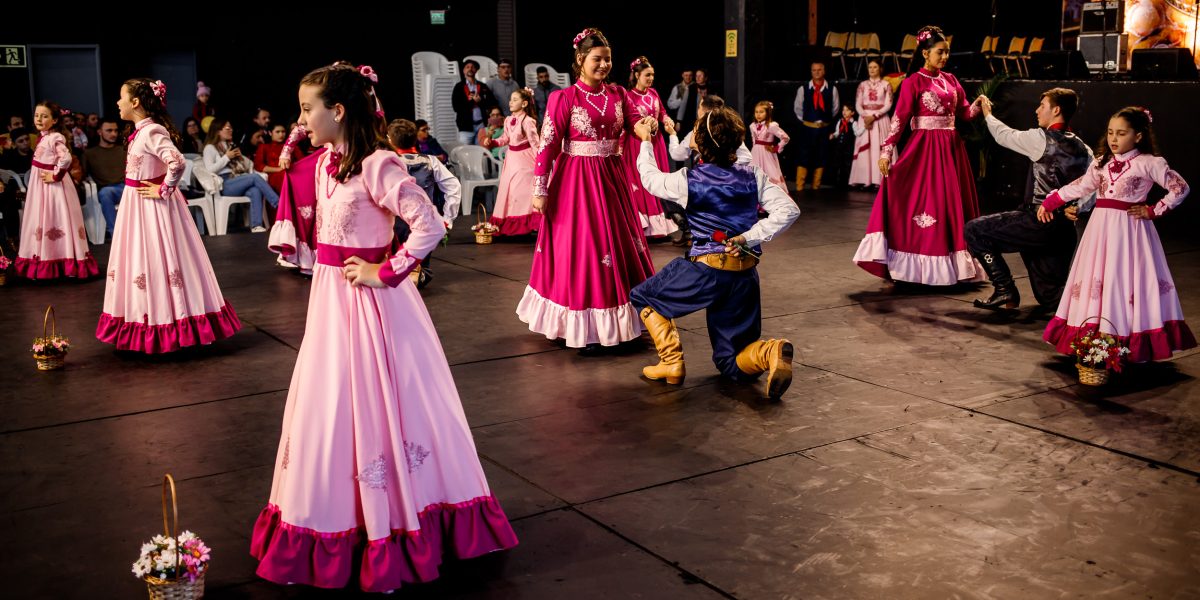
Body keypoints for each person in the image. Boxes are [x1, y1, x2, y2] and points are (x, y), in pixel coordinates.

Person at [250, 63, 517, 594]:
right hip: (330, 303)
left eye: (308, 109)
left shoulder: (378, 164)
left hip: (370, 308)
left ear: (339, 110)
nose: (300, 120)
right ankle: (334, 517)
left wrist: (385, 270)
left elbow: (430, 223)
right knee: (329, 407)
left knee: (382, 404)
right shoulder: (326, 163)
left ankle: (394, 520)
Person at [630, 108, 800, 398]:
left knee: (644, 296)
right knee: (730, 362)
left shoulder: (689, 179)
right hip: (744, 275)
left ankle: (671, 363)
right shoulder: (752, 175)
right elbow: (789, 210)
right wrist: (748, 236)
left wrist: (645, 141)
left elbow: (649, 179)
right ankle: (769, 352)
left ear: (703, 141)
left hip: (706, 271)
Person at [517, 27, 656, 353]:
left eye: (608, 59)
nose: (604, 64)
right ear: (580, 60)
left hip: (612, 180)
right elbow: (548, 146)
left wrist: (644, 126)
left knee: (616, 246)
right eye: (597, 59)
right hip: (576, 184)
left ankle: (620, 321)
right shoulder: (563, 98)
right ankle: (581, 324)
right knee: (584, 249)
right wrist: (540, 189)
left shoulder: (619, 94)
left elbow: (634, 123)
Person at [1040, 106, 1194, 362]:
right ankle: (1095, 335)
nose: (1113, 138)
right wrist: (1053, 200)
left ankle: (1125, 339)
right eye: (1111, 132)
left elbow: (1180, 188)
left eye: (1121, 133)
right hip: (1099, 231)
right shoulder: (1102, 162)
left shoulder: (1149, 163)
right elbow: (1082, 185)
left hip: (1129, 233)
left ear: (1138, 136)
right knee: (1097, 277)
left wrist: (1154, 210)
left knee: (1122, 279)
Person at [97, 78, 241, 352]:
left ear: (135, 102)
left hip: (150, 207)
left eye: (121, 97)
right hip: (137, 204)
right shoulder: (140, 131)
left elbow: (177, 161)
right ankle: (145, 318)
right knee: (139, 259)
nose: (118, 103)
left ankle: (167, 323)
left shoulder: (151, 131)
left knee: (157, 258)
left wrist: (164, 189)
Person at [852, 25, 985, 285]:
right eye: (940, 52)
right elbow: (899, 119)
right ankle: (918, 261)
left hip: (952, 149)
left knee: (950, 203)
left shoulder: (951, 80)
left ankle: (954, 264)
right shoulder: (914, 81)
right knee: (926, 201)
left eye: (947, 52)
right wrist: (886, 151)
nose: (945, 57)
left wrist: (978, 106)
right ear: (925, 53)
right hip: (925, 149)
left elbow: (965, 113)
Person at [965, 88, 1093, 312]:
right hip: (1063, 231)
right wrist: (1079, 207)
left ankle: (1005, 289)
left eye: (1042, 106)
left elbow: (1004, 135)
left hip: (1036, 222)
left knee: (974, 230)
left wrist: (987, 113)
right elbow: (1095, 186)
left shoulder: (1040, 138)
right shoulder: (1085, 148)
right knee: (1051, 297)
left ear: (1056, 110)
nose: (1037, 110)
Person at [14, 100, 98, 280]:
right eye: (37, 115)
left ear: (54, 120)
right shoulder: (43, 137)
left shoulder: (55, 137)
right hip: (42, 188)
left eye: (44, 116)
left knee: (57, 218)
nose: (39, 118)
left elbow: (66, 159)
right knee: (43, 220)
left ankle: (63, 261)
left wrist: (55, 175)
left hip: (54, 189)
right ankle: (46, 258)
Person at [388, 118, 462, 288]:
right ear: (415, 138)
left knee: (394, 266)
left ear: (390, 139)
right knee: (419, 267)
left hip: (392, 226)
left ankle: (403, 277)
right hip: (423, 225)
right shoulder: (430, 160)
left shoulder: (387, 162)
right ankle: (417, 273)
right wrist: (447, 219)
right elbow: (454, 186)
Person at [622, 56, 677, 237]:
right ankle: (644, 225)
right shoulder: (628, 96)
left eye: (652, 75)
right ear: (636, 75)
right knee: (641, 180)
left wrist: (667, 121)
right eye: (647, 75)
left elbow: (661, 112)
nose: (651, 78)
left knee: (657, 179)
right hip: (637, 143)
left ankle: (661, 225)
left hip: (656, 142)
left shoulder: (653, 93)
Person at [202, 117, 280, 232]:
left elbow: (249, 166)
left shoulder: (229, 146)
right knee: (254, 178)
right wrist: (226, 157)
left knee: (255, 190)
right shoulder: (210, 148)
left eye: (231, 128)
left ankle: (256, 226)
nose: (231, 130)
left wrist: (240, 158)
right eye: (227, 128)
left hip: (238, 180)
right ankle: (278, 204)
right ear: (218, 130)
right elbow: (210, 170)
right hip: (225, 183)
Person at [481, 88, 541, 236]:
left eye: (515, 99)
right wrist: (493, 142)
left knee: (521, 191)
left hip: (525, 160)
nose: (511, 102)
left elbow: (535, 143)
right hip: (512, 159)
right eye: (510, 99)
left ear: (525, 103)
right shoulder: (507, 120)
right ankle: (514, 223)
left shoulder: (527, 121)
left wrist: (540, 163)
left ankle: (528, 223)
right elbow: (506, 139)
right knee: (509, 191)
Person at [792, 61, 839, 190]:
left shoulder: (832, 89)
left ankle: (816, 186)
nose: (817, 72)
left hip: (824, 128)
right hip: (807, 128)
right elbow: (798, 108)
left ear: (824, 71)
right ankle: (800, 186)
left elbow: (835, 109)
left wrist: (824, 121)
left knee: (821, 155)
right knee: (804, 155)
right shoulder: (803, 89)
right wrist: (808, 121)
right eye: (814, 70)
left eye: (819, 70)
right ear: (811, 72)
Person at [849, 59, 893, 189]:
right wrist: (865, 117)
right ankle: (863, 179)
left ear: (880, 69)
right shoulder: (862, 85)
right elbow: (858, 103)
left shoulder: (886, 84)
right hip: (865, 118)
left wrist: (874, 116)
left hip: (880, 119)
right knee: (865, 150)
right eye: (870, 67)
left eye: (875, 67)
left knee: (878, 149)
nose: (872, 69)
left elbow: (888, 104)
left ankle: (879, 180)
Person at [83, 117, 128, 238]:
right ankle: (116, 235)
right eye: (109, 130)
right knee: (105, 193)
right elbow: (83, 174)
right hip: (105, 190)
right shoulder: (89, 153)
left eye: (115, 130)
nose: (113, 134)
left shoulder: (123, 150)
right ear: (99, 132)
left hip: (126, 187)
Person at [452, 59, 497, 145]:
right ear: (463, 70)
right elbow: (456, 107)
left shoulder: (482, 86)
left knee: (480, 153)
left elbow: (492, 103)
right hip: (465, 127)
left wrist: (480, 101)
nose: (470, 69)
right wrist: (471, 102)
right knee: (465, 154)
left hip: (481, 125)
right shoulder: (459, 87)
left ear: (476, 70)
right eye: (467, 67)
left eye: (473, 67)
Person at [748, 100, 790, 188]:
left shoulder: (771, 126)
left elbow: (785, 138)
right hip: (755, 154)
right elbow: (753, 141)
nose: (758, 114)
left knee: (769, 173)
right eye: (756, 112)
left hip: (767, 154)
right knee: (754, 174)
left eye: (761, 112)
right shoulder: (752, 126)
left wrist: (776, 148)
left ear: (767, 113)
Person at [679, 68, 719, 137]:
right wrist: (679, 121)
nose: (697, 78)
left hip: (707, 120)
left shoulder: (712, 88)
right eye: (696, 76)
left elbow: (715, 105)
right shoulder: (691, 88)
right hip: (691, 119)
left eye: (700, 76)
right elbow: (683, 104)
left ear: (705, 77)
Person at [253, 123, 290, 193]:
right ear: (270, 133)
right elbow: (258, 166)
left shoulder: (290, 147)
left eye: (283, 132)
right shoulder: (264, 147)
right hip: (274, 175)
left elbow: (301, 161)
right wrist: (278, 169)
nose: (281, 135)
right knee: (283, 176)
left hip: (291, 172)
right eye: (277, 132)